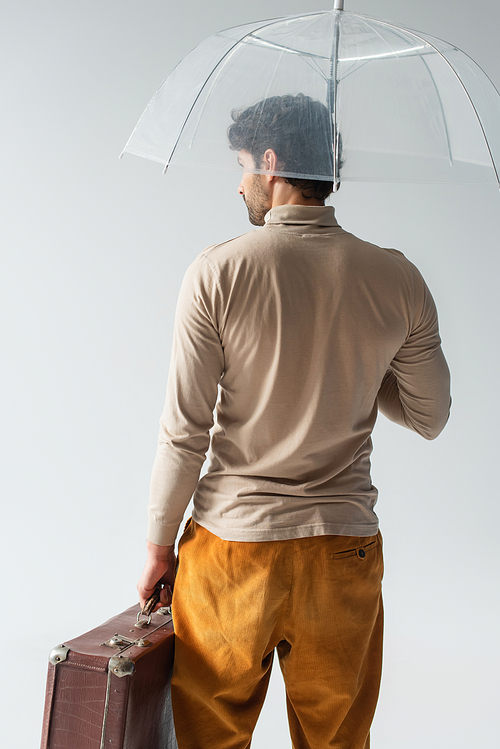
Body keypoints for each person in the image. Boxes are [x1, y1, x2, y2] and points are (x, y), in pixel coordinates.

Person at [137, 93, 451, 749]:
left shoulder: (217, 272)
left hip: (233, 550)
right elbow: (430, 415)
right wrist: (362, 362)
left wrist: (158, 547)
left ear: (273, 162)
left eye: (244, 164)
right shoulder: (398, 279)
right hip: (343, 550)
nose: (241, 181)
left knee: (210, 740)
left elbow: (184, 430)